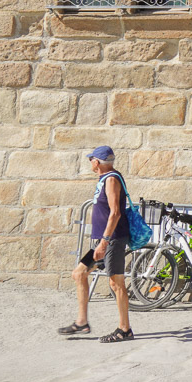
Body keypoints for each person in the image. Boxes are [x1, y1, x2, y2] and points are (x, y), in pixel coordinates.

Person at [58, 146, 134, 342]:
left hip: (112, 240)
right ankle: (82, 322)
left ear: (97, 162)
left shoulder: (111, 179)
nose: (90, 162)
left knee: (116, 283)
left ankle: (124, 329)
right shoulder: (105, 179)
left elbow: (115, 212)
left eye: (91, 159)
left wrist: (105, 242)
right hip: (102, 242)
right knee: (79, 273)